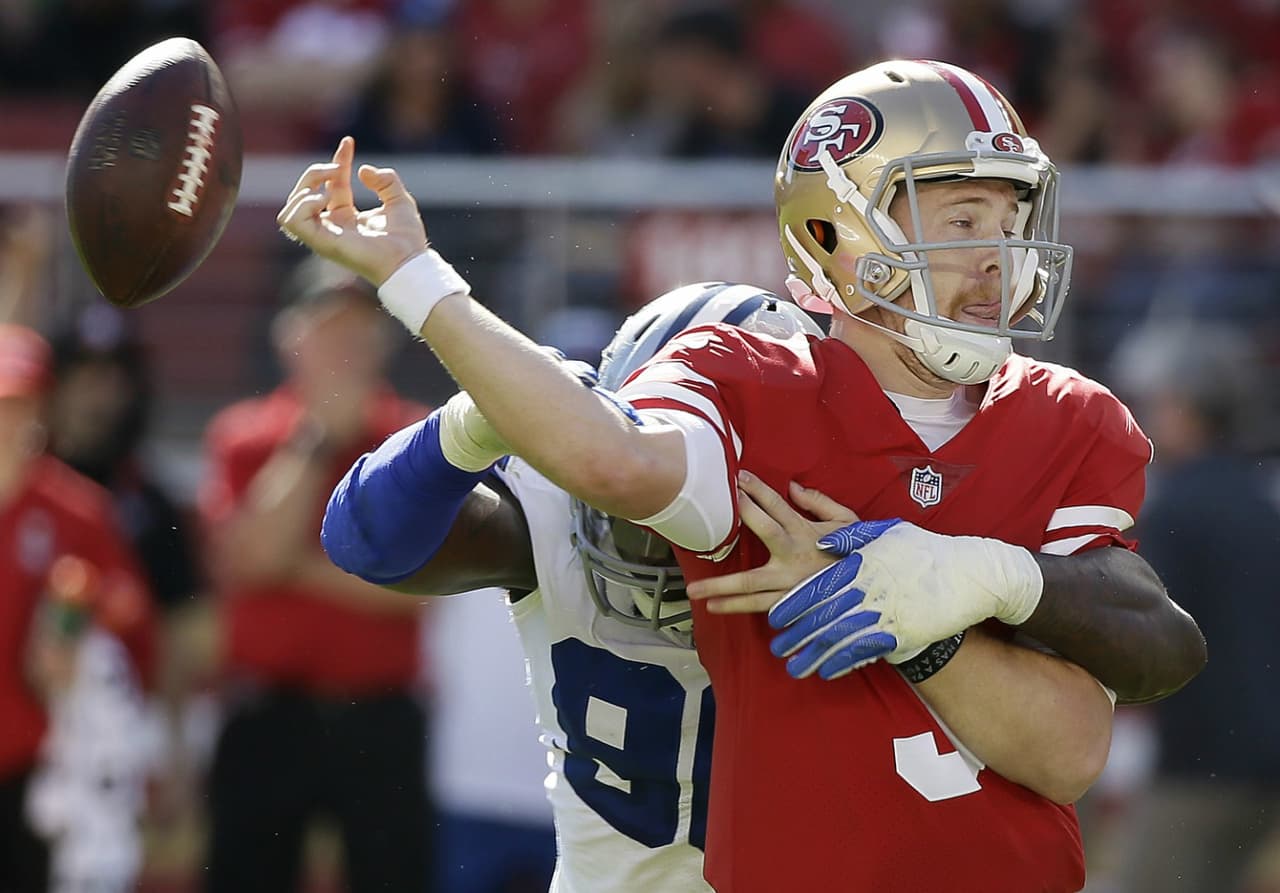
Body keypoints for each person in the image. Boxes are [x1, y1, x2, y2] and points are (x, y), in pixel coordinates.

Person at [278, 59, 1206, 891]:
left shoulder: (1049, 419)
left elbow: (1125, 682)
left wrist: (967, 588)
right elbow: (380, 532)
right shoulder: (720, 408)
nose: (997, 257)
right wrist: (472, 403)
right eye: (964, 219)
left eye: (1007, 222)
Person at [321, 280, 1171, 891]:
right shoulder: (556, 497)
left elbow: (1130, 665)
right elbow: (365, 539)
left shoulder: (851, 520)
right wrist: (471, 420)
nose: (672, 532)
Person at [197, 256, 434, 893]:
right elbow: (243, 561)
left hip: (380, 716)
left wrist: (290, 564)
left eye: (358, 332)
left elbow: (417, 587)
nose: (344, 350)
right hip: (267, 714)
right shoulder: (245, 436)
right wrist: (314, 440)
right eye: (329, 331)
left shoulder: (414, 438)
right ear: (290, 339)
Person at [0, 324, 155, 893]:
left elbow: (129, 612)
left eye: (21, 405)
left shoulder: (79, 510)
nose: (9, 421)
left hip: (40, 769)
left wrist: (79, 625)